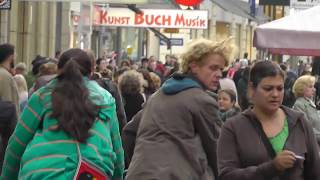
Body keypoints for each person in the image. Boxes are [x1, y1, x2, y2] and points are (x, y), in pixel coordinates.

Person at [1, 48, 124, 179]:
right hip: (93, 173)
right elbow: (117, 152)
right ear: (91, 72)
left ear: (58, 71)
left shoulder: (42, 96)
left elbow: (16, 145)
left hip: (43, 173)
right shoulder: (105, 100)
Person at [126, 38, 235, 180]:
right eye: (213, 68)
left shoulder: (158, 95)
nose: (219, 74)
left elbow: (129, 132)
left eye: (221, 69)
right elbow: (217, 152)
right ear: (194, 66)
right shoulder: (202, 101)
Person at [217, 61, 320, 180]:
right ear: (251, 88)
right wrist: (271, 167)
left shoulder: (299, 121)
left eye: (280, 88)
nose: (275, 94)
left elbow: (314, 171)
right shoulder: (233, 127)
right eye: (268, 88)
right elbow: (226, 175)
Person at [292, 75, 320, 144]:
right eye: (310, 87)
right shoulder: (299, 104)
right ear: (301, 89)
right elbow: (306, 128)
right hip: (311, 144)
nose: (314, 89)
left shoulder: (309, 102)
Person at [0, 43, 20, 118]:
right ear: (10, 57)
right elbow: (8, 105)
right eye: (15, 53)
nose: (16, 56)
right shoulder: (4, 75)